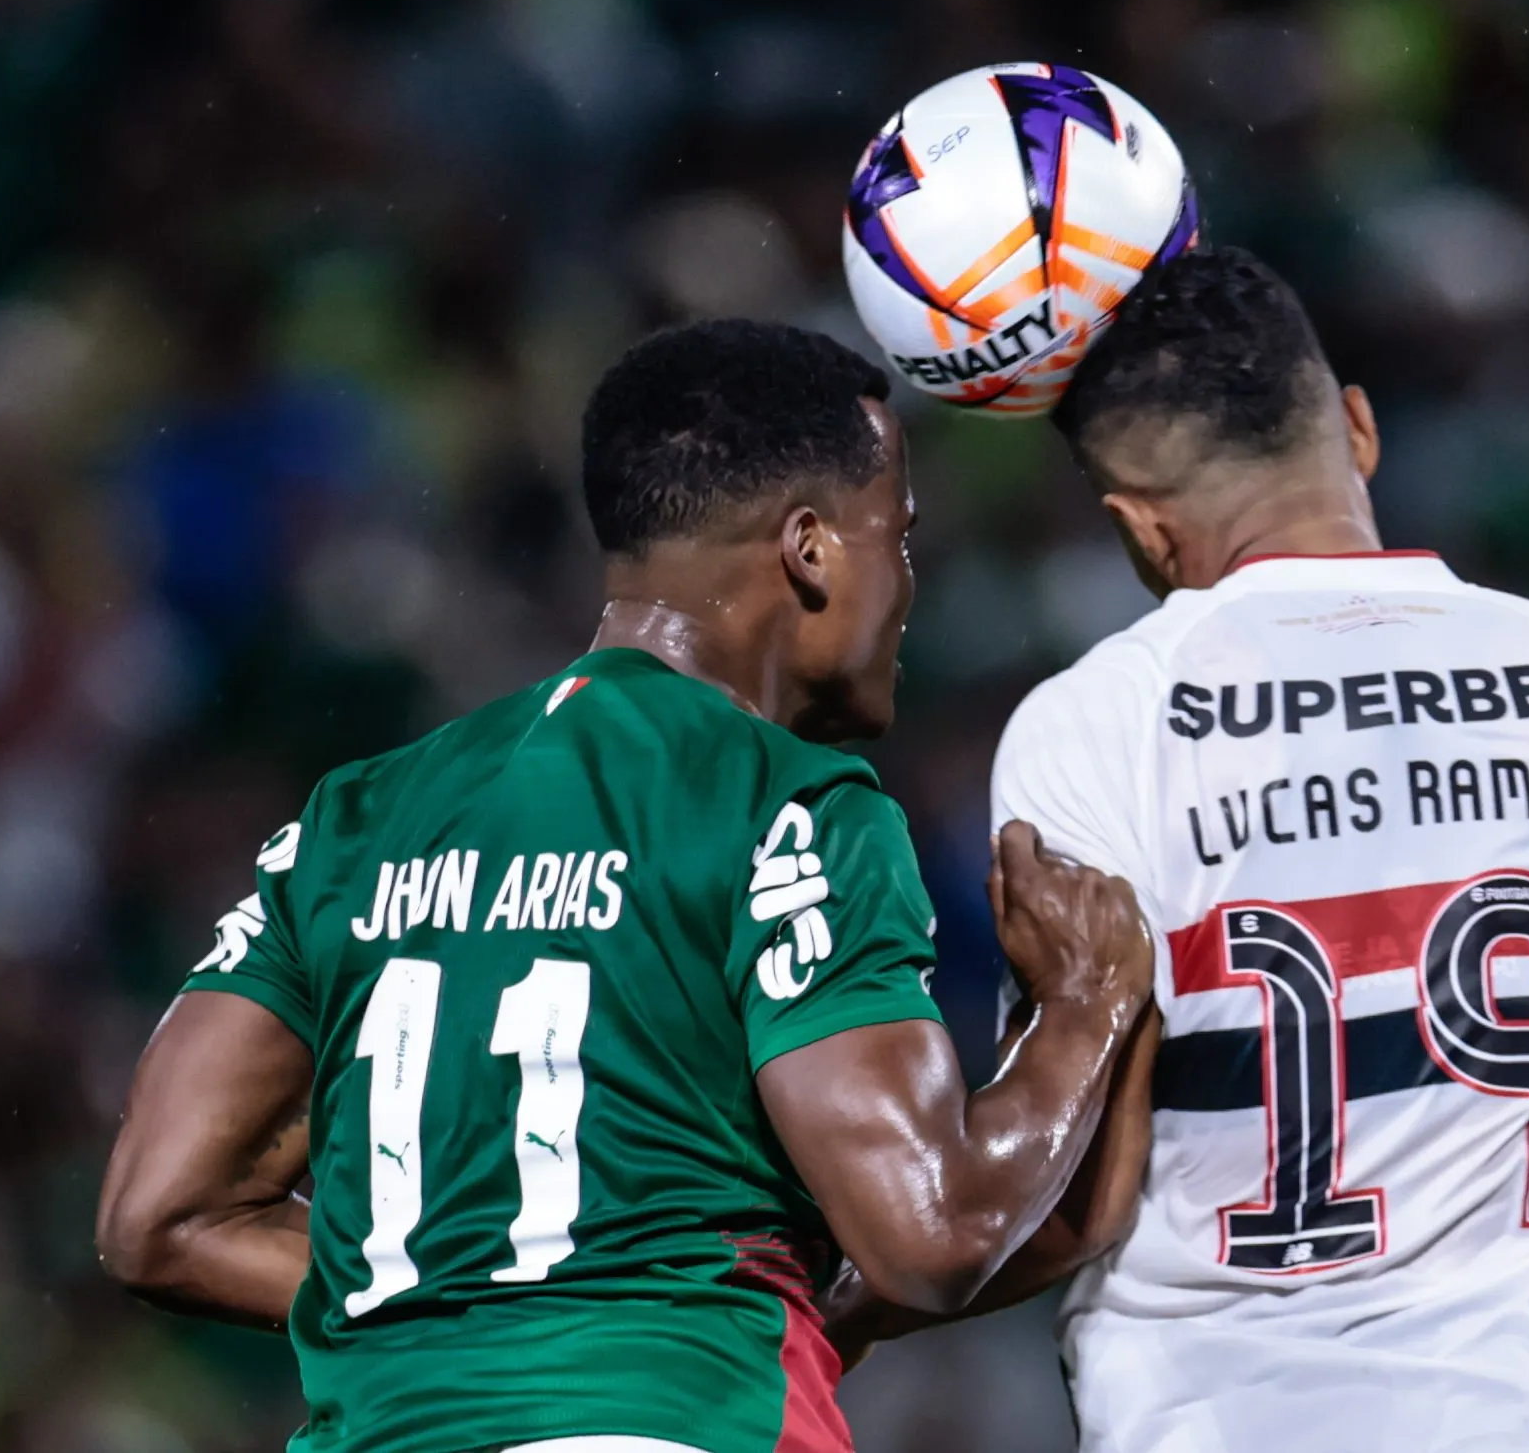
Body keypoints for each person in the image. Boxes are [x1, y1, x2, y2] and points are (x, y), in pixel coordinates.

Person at [94, 318, 1153, 1453]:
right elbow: (935, 1228)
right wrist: (1084, 1006)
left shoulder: (355, 816)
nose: (904, 584)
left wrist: (458, 1291)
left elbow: (158, 1218)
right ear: (809, 548)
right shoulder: (783, 804)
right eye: (894, 536)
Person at [837, 248, 1529, 1451]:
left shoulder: (1102, 726)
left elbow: (1074, 1199)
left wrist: (842, 1304)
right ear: (1357, 427)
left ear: (1141, 532)